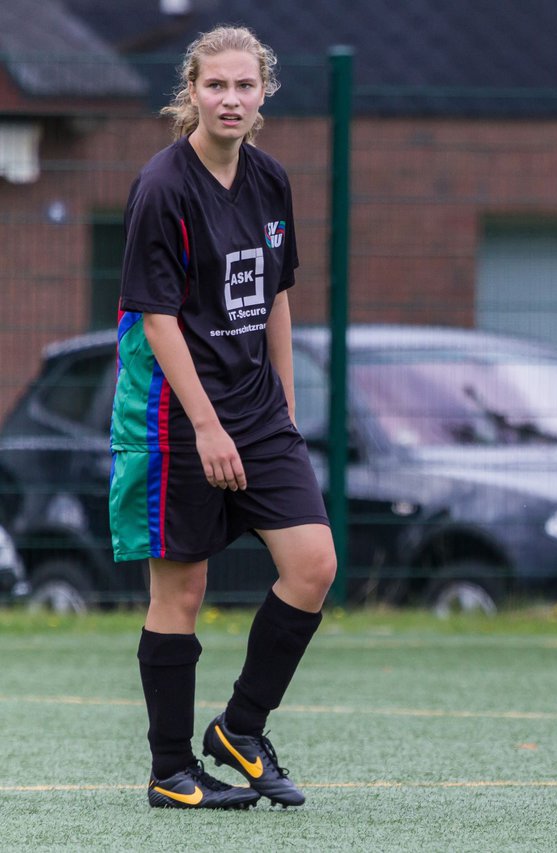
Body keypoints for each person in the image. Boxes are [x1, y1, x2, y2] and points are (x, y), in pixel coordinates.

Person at [109, 26, 335, 810]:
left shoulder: (271, 180)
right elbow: (158, 318)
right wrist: (206, 425)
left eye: (244, 86)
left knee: (313, 565)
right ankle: (170, 771)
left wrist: (286, 406)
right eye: (216, 86)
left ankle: (240, 727)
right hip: (177, 416)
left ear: (264, 91)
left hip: (258, 412)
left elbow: (276, 296)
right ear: (192, 91)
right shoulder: (163, 185)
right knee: (182, 590)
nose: (230, 99)